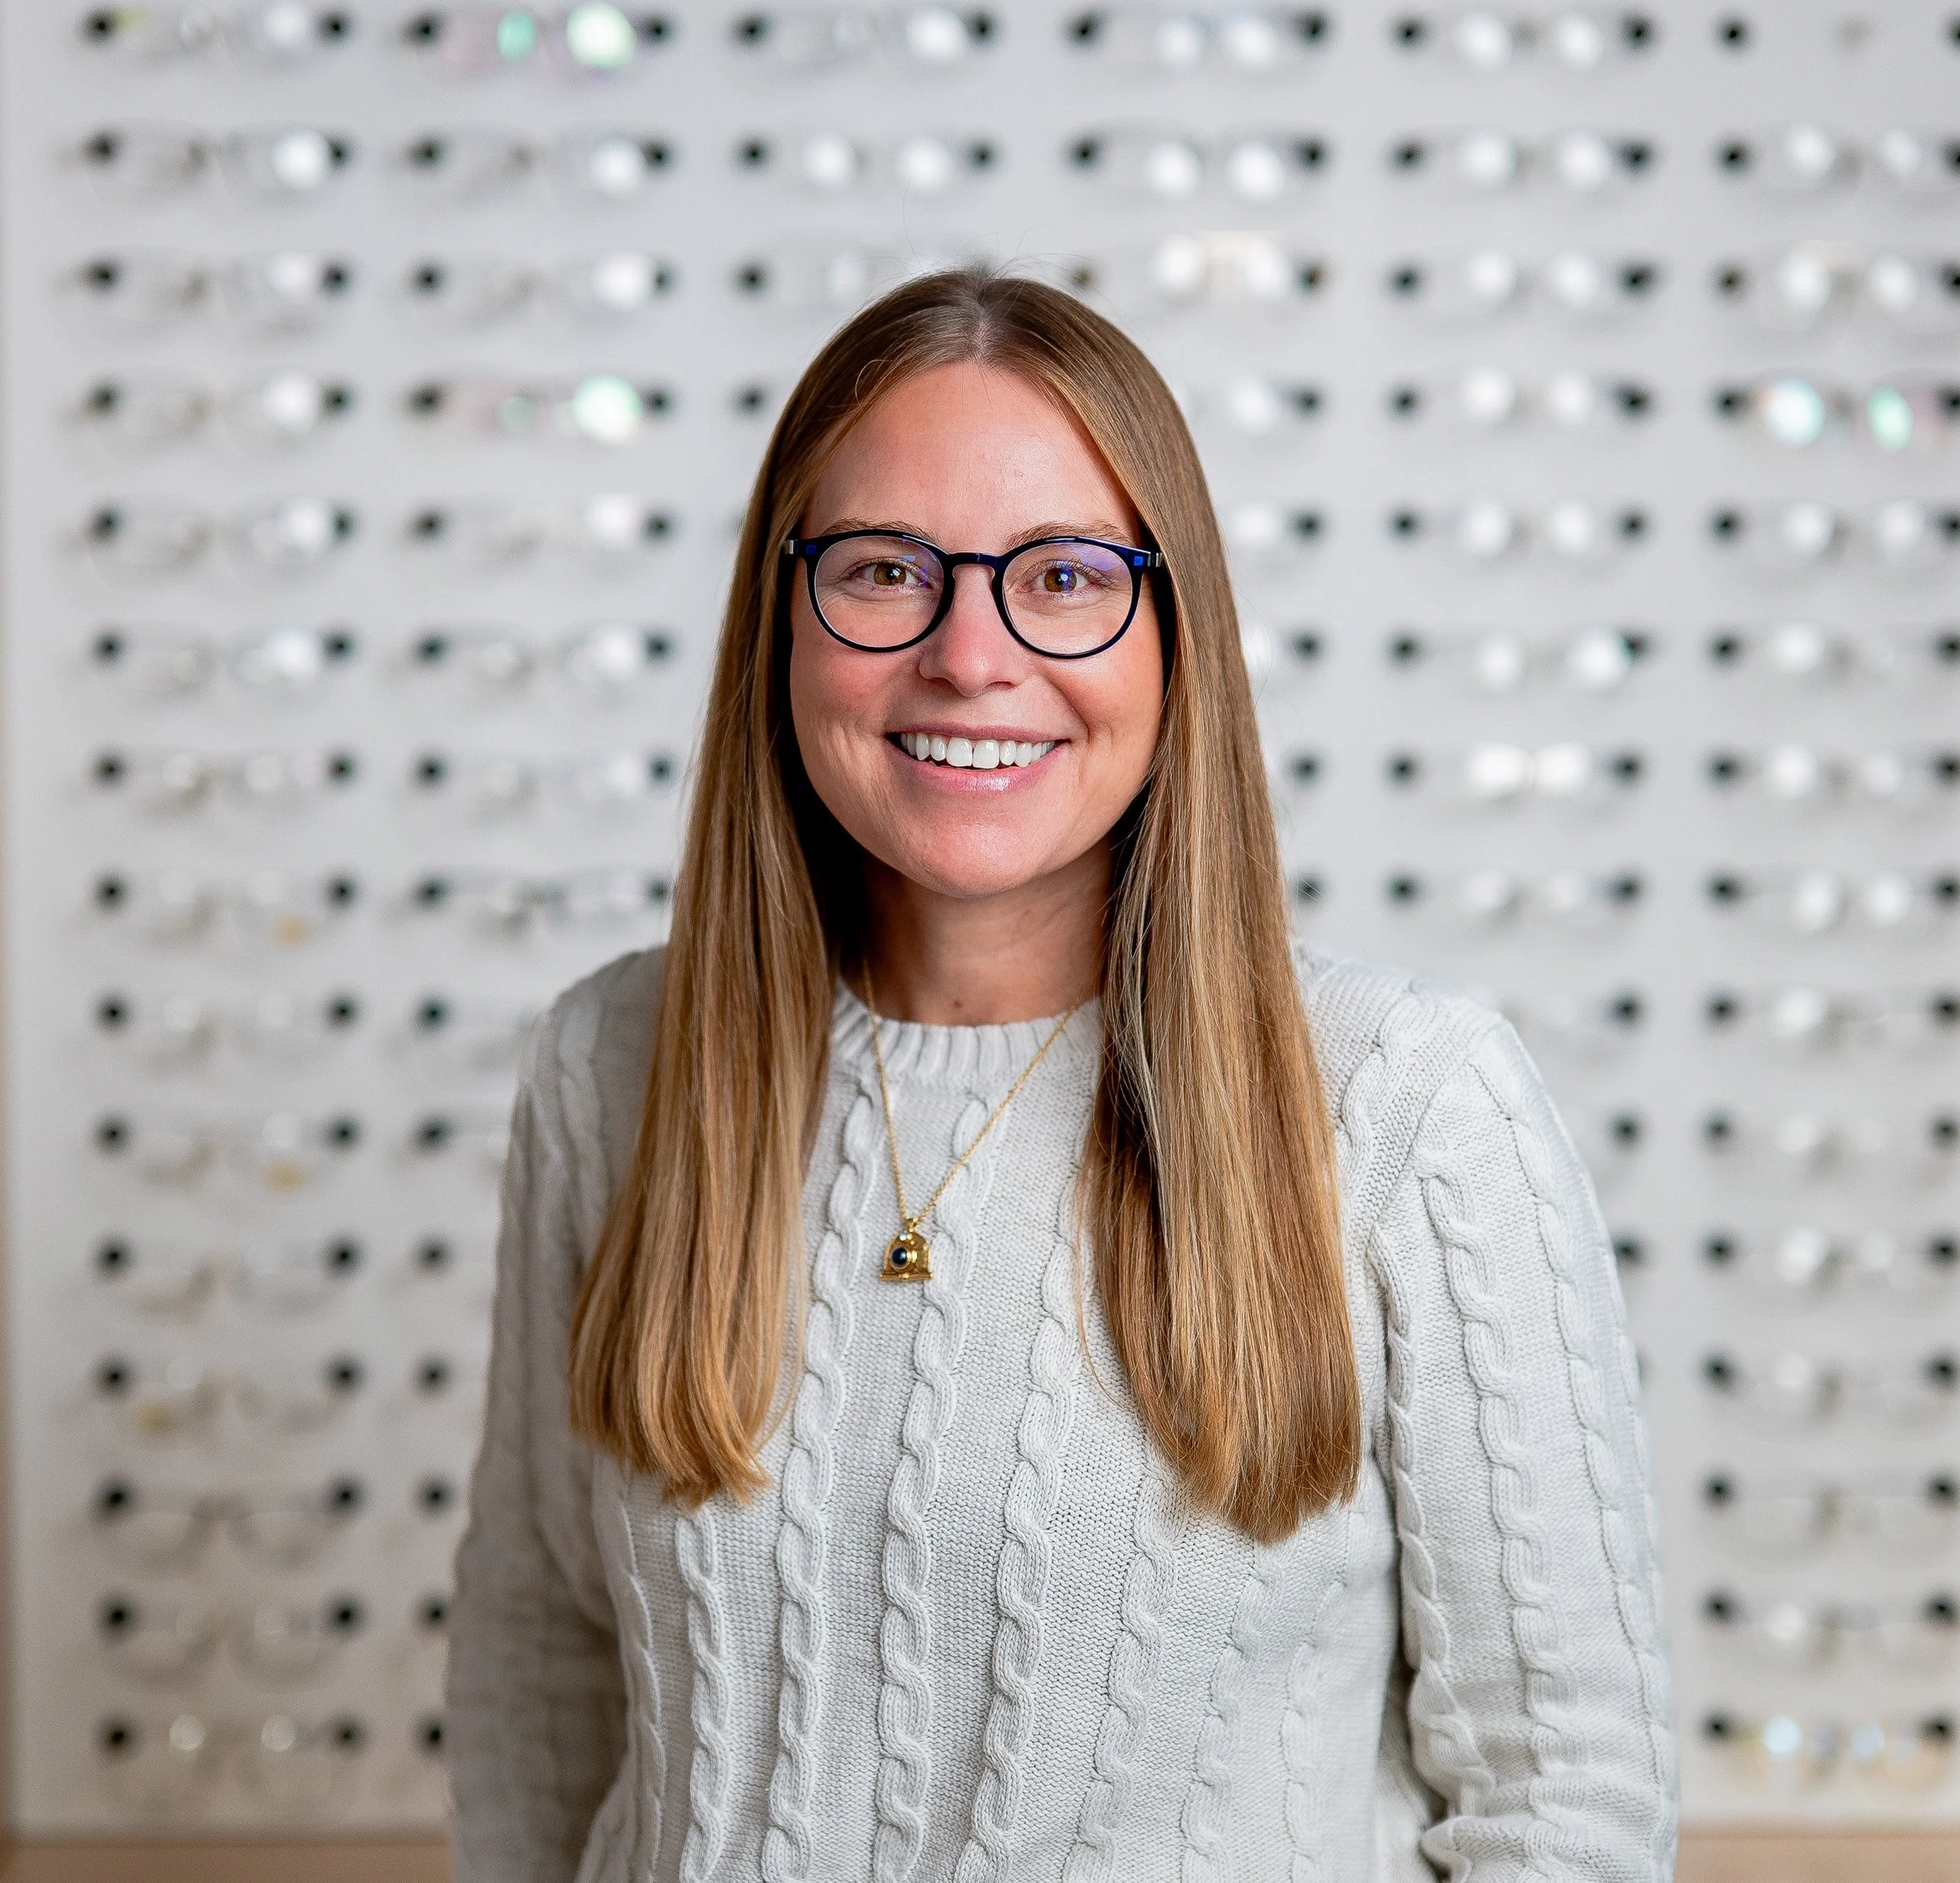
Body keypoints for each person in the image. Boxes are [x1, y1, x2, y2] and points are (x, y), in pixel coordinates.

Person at [448, 267, 1676, 1881]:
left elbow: (1562, 1798)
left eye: (1064, 576)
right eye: (885, 570)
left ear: (1174, 634)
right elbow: (541, 1672)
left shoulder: (1406, 1102)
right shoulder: (608, 1069)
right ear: (781, 611)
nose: (970, 656)